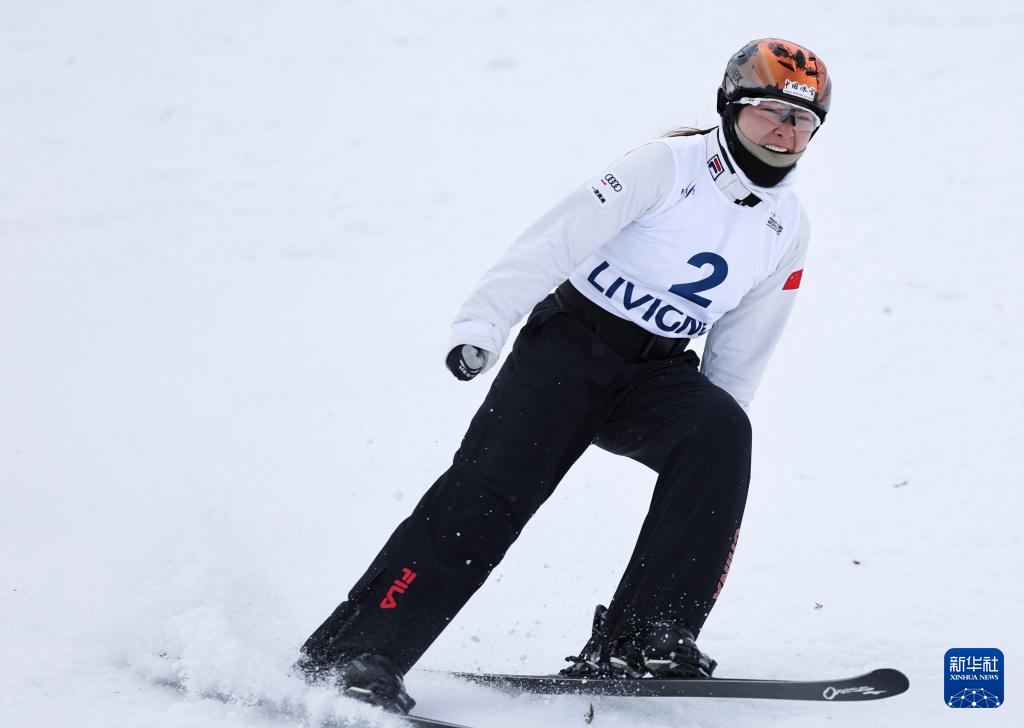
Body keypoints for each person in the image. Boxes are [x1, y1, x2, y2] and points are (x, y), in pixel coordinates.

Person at [296, 38, 832, 714]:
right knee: (488, 497)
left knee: (723, 430)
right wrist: (483, 326)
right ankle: (357, 652)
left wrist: (707, 439)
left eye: (801, 122)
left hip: (656, 373)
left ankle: (644, 638)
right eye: (767, 112)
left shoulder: (787, 225)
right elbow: (556, 240)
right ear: (729, 107)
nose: (783, 131)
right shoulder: (665, 166)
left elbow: (747, 339)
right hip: (567, 352)